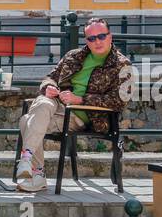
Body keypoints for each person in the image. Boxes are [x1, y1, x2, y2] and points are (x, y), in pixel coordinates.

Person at [15, 18, 130, 193]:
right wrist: (49, 87)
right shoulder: (73, 56)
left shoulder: (122, 64)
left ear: (110, 36)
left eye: (101, 36)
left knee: (26, 120)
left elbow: (119, 99)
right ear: (86, 40)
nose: (97, 41)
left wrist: (80, 99)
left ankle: (35, 171)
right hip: (55, 104)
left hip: (83, 115)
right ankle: (27, 161)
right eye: (91, 38)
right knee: (43, 102)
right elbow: (50, 76)